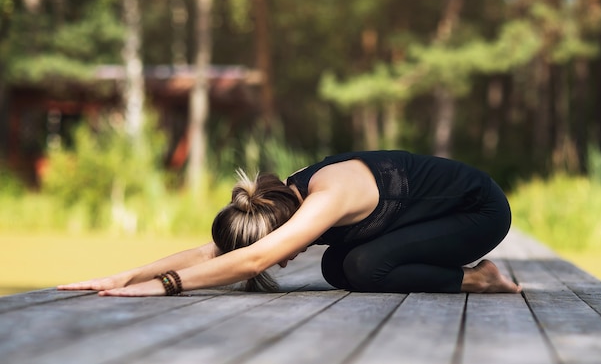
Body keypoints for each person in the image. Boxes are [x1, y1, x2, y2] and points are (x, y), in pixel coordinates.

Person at [58, 150, 521, 296]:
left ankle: (477, 277)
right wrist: (126, 276)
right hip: (418, 220)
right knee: (336, 268)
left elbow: (253, 257)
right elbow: (213, 252)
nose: (279, 263)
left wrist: (165, 286)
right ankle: (471, 274)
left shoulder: (327, 196)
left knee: (362, 268)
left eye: (278, 252)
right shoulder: (282, 202)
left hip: (476, 214)